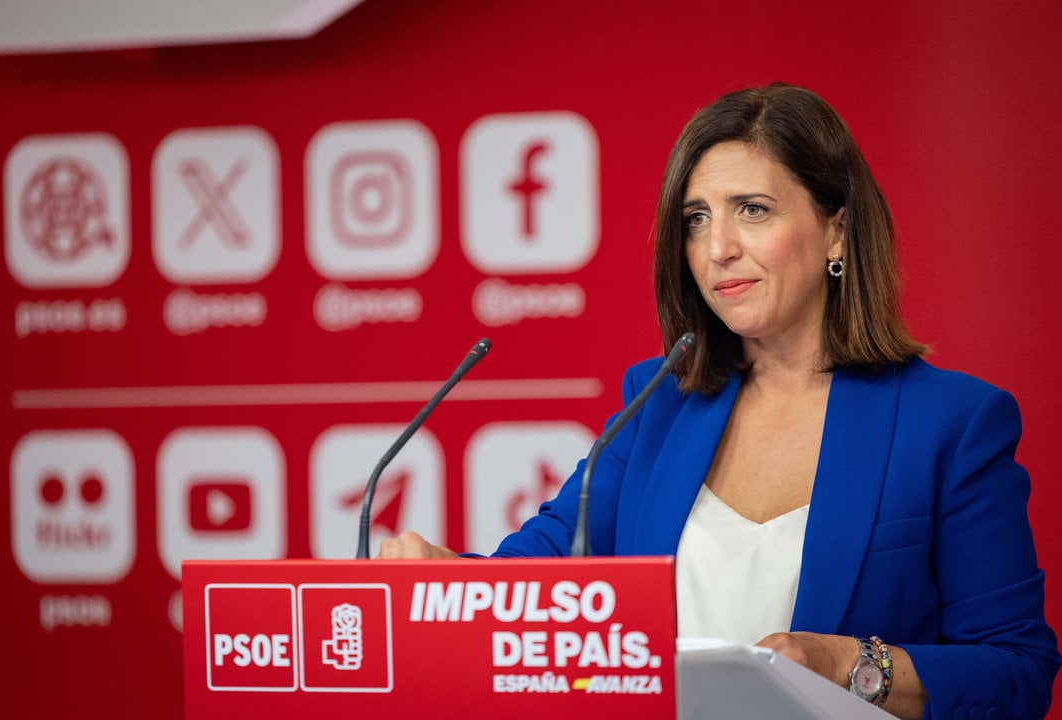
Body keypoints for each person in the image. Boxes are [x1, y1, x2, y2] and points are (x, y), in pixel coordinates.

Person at [379, 83, 1061, 719]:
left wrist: (849, 662)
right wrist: (446, 581)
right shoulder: (659, 406)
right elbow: (542, 578)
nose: (718, 249)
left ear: (836, 230)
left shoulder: (949, 424)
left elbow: (1015, 672)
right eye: (696, 220)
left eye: (752, 211)